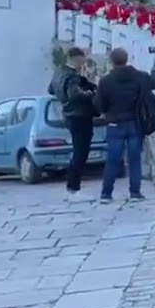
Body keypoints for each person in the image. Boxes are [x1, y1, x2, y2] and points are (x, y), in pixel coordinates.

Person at [93, 48, 155, 203]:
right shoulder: (140, 77)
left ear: (111, 61)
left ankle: (106, 194)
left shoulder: (106, 81)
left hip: (114, 123)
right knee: (135, 159)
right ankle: (135, 193)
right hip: (134, 123)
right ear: (126, 59)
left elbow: (99, 105)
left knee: (113, 160)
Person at [51, 46, 97, 201]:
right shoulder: (72, 76)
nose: (84, 62)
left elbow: (51, 89)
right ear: (77, 58)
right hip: (80, 116)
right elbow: (75, 94)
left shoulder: (58, 73)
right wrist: (90, 94)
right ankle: (73, 188)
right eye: (83, 59)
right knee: (81, 152)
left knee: (78, 151)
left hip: (69, 116)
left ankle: (73, 188)